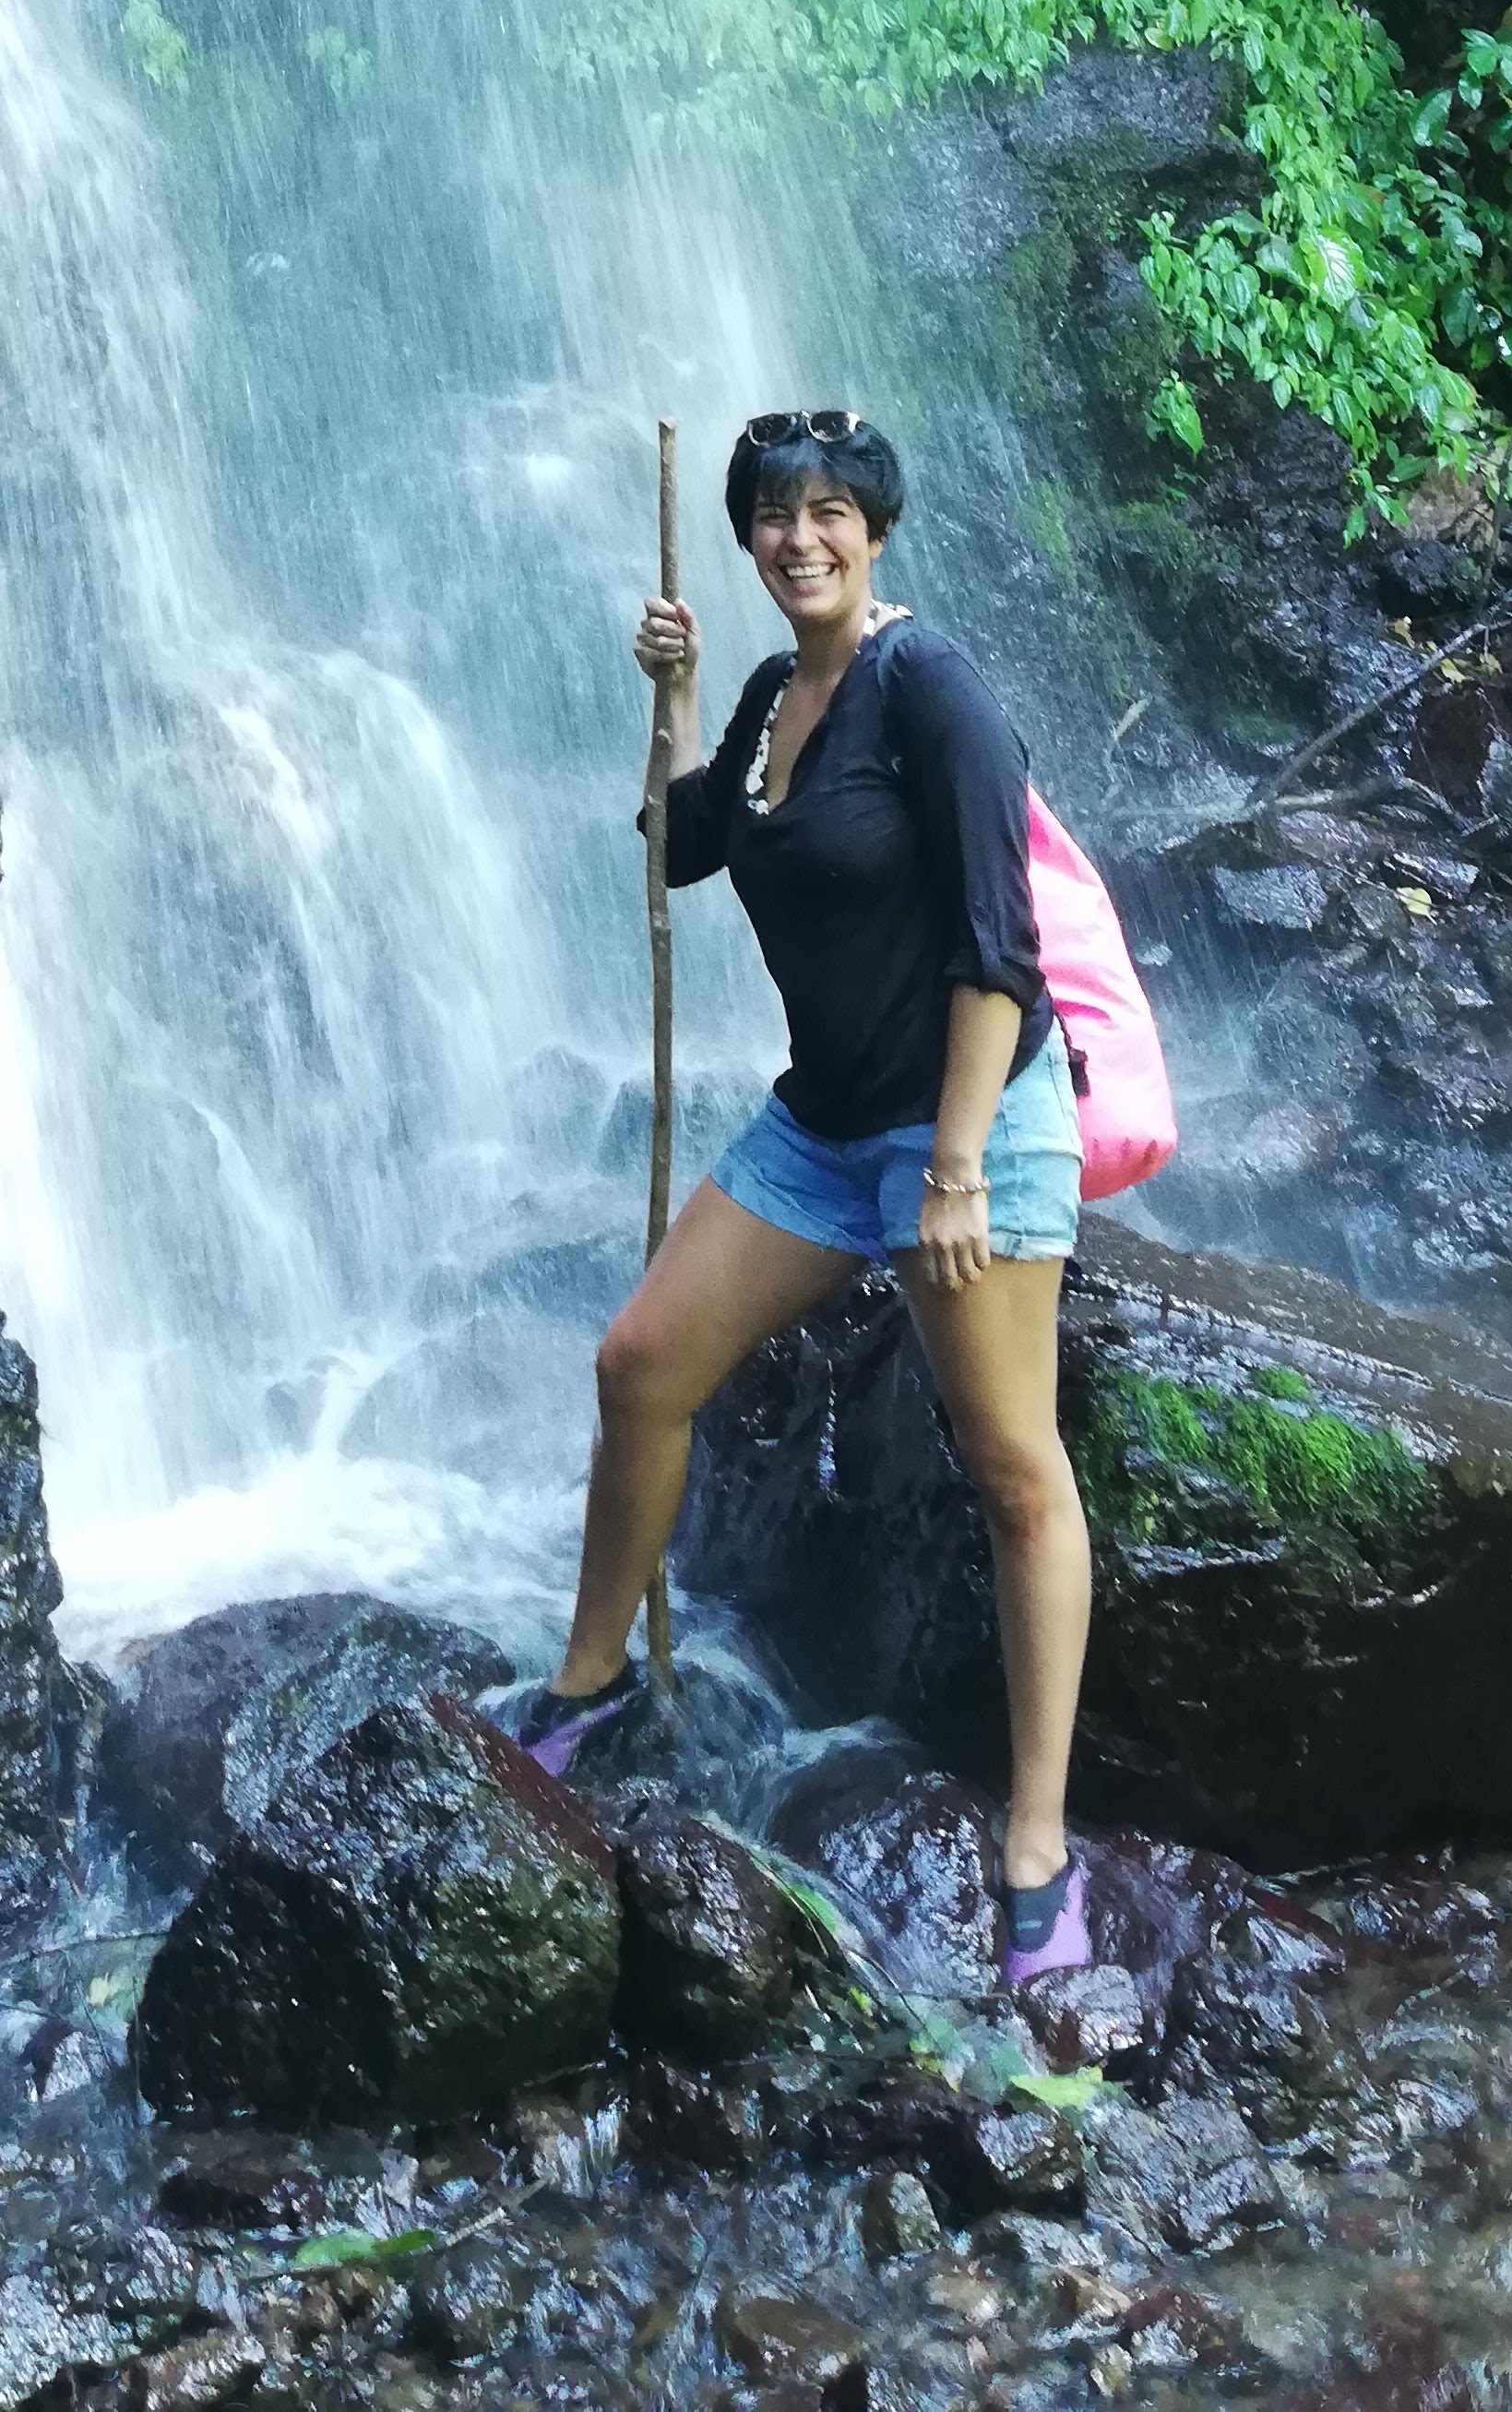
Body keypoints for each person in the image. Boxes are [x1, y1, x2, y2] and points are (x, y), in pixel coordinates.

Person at [507, 409, 1097, 1992]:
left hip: (966, 1120)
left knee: (1012, 1469)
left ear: (878, 530)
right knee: (643, 1366)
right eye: (774, 517)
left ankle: (1040, 1846)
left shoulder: (935, 690)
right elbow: (682, 850)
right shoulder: (779, 690)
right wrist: (680, 695)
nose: (801, 539)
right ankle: (589, 1687)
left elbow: (1000, 948)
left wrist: (959, 1167)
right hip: (826, 1124)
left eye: (831, 512)